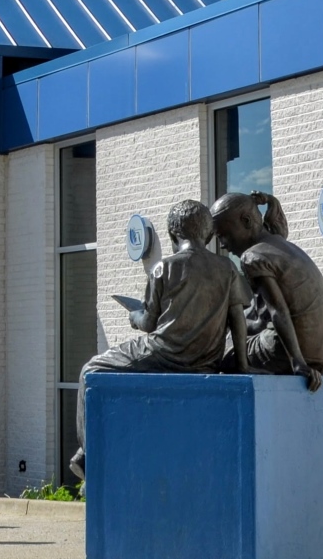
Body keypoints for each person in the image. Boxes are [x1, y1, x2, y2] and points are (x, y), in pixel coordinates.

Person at [67, 199, 249, 481]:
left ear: (173, 234)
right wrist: (242, 366)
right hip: (204, 362)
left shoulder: (163, 268)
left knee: (90, 370)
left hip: (164, 353)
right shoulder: (226, 268)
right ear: (209, 234)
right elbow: (237, 319)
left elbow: (149, 323)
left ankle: (87, 456)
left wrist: (134, 316)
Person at [210, 191, 323, 391]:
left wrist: (297, 363)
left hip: (291, 352)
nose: (222, 245)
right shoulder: (280, 244)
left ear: (246, 221)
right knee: (241, 325)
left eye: (223, 235)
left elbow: (278, 311)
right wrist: (271, 201)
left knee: (214, 353)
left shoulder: (253, 257)